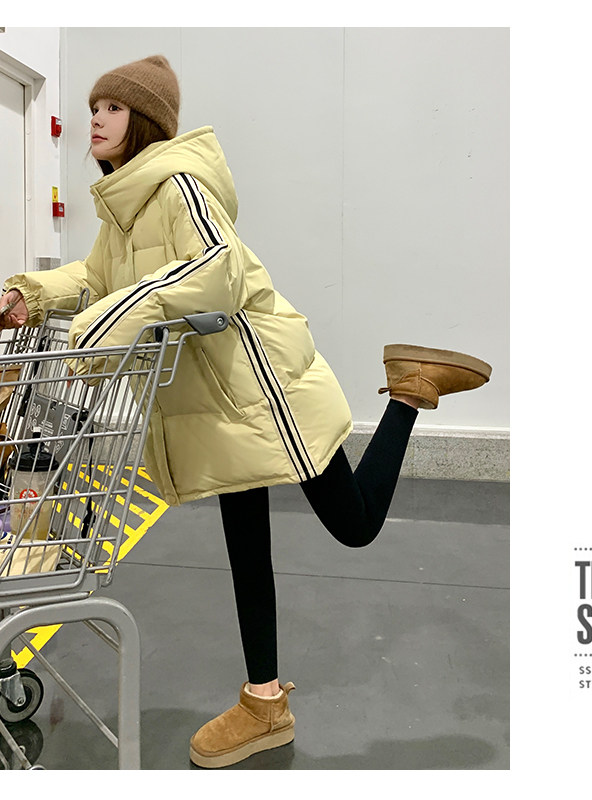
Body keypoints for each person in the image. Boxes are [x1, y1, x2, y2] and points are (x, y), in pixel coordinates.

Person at [0, 55, 492, 768]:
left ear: (146, 121)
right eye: (94, 108)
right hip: (215, 401)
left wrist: (111, 321)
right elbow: (100, 276)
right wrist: (33, 294)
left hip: (259, 390)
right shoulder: (122, 209)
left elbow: (215, 268)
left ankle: (410, 390)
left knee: (354, 525)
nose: (96, 120)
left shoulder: (179, 184)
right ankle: (264, 702)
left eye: (112, 107)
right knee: (245, 546)